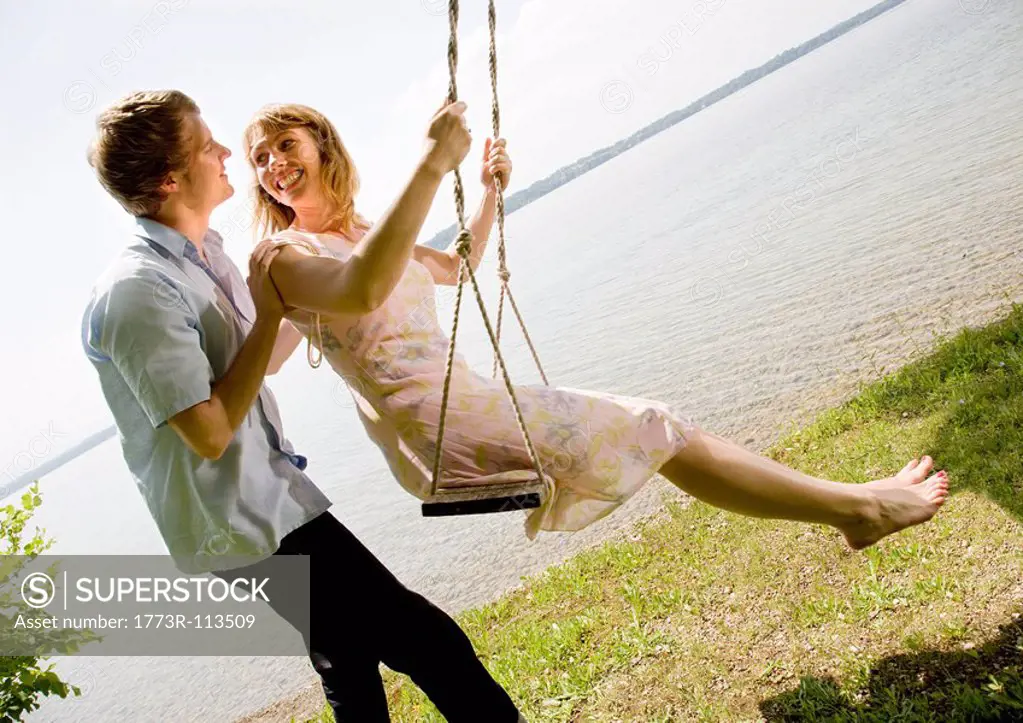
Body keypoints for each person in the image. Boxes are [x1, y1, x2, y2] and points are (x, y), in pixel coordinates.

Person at [243, 101, 949, 549]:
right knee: (654, 424)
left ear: (322, 143)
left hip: (468, 399)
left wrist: (489, 193)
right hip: (435, 425)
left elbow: (454, 268)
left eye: (283, 144)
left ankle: (853, 508)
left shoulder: (368, 233)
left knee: (657, 426)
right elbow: (329, 310)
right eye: (260, 159)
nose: (274, 164)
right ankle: (856, 509)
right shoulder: (292, 254)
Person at [82, 90, 527, 723]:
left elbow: (340, 303)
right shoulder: (136, 293)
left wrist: (485, 196)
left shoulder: (209, 259)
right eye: (207, 144)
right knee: (424, 640)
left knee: (345, 657)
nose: (224, 152)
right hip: (240, 524)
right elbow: (207, 432)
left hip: (272, 496)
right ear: (169, 178)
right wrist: (270, 312)